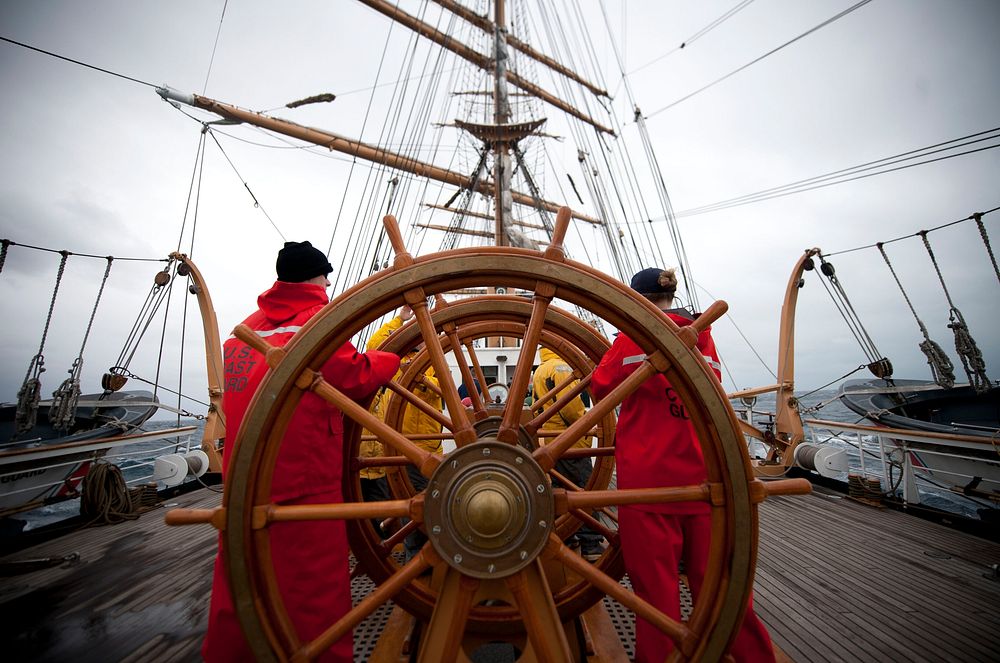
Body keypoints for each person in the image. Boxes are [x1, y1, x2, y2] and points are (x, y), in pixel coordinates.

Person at [203, 241, 400, 663]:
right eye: (326, 277)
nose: (329, 285)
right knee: (313, 592)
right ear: (317, 278)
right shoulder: (317, 321)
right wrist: (392, 358)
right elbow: (354, 374)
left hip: (244, 478)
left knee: (242, 575)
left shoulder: (245, 331)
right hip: (303, 484)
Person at [591, 267, 775, 663]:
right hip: (704, 484)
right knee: (725, 589)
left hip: (649, 486)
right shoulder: (705, 341)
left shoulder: (632, 338)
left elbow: (600, 386)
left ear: (636, 300)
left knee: (657, 598)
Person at [362, 305, 443, 559]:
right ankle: (417, 557)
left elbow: (441, 388)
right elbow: (375, 348)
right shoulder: (396, 365)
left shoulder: (433, 364)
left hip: (429, 448)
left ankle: (423, 555)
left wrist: (420, 377)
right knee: (418, 504)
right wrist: (400, 319)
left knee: (425, 502)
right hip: (406, 448)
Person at [532, 345, 604, 561]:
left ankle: (566, 535)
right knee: (584, 490)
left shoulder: (540, 370)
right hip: (572, 441)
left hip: (552, 442)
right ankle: (591, 543)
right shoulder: (561, 367)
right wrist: (585, 422)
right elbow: (570, 406)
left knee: (560, 490)